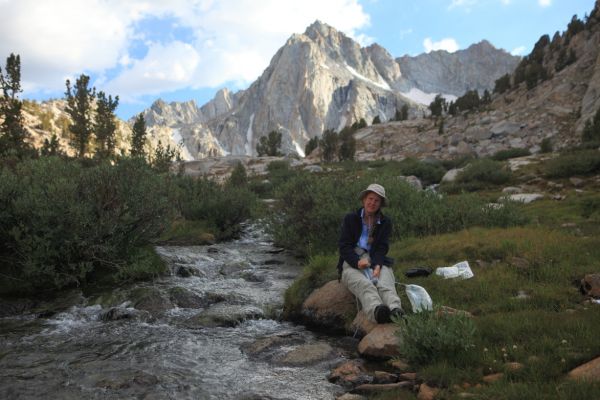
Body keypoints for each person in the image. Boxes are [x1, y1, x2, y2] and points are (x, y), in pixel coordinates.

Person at [337, 183, 404, 323]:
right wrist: (356, 262)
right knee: (364, 285)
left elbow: (382, 247)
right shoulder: (351, 218)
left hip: (374, 259)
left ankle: (395, 309)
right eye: (370, 198)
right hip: (352, 260)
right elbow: (344, 246)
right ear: (364, 199)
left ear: (380, 204)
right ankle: (377, 311)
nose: (372, 203)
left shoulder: (385, 222)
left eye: (377, 200)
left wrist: (378, 265)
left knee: (385, 282)